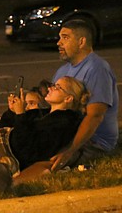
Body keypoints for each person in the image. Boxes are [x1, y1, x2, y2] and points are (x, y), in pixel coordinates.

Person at [50, 19, 119, 172]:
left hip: (93, 142)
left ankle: (13, 182)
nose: (59, 43)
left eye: (65, 37)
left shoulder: (97, 69)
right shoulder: (62, 72)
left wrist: (70, 151)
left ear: (81, 42)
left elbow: (94, 116)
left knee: (46, 157)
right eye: (59, 38)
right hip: (66, 133)